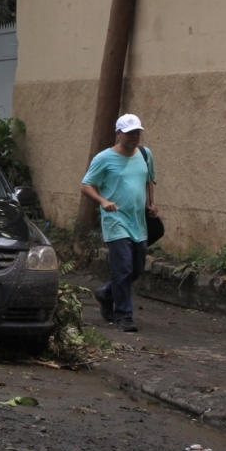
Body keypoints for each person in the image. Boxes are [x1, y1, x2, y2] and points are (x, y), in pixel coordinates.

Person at [80, 114, 157, 332]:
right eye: (130, 132)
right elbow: (86, 186)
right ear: (118, 133)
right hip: (115, 220)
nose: (135, 136)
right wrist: (103, 201)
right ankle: (124, 316)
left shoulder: (145, 154)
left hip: (138, 220)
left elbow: (149, 179)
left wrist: (152, 203)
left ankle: (106, 293)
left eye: (137, 132)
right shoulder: (104, 158)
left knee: (136, 269)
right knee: (122, 268)